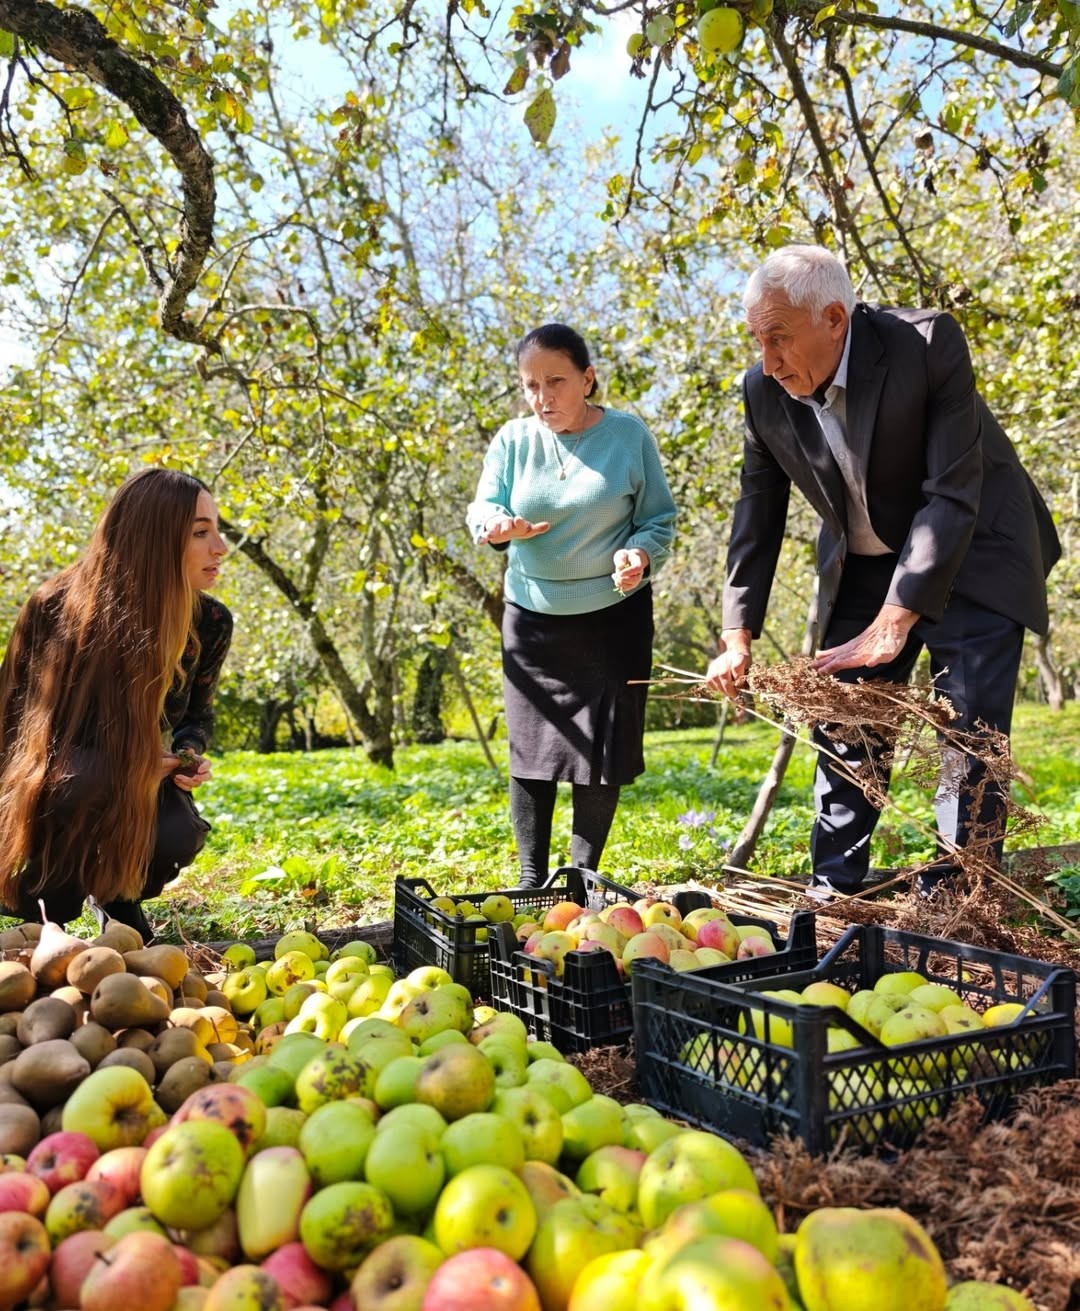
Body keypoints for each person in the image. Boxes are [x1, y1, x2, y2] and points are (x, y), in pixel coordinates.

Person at [706, 245, 1060, 898]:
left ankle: (959, 904)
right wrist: (737, 636)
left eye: (778, 338)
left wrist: (896, 620)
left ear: (834, 318)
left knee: (968, 736)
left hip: (974, 550)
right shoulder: (763, 392)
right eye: (758, 340)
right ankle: (833, 894)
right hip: (867, 565)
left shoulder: (925, 344)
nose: (768, 360)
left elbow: (951, 492)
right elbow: (757, 512)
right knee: (846, 718)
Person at [467, 323, 677, 887]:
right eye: (530, 385)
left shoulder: (628, 436)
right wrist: (497, 525)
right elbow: (483, 506)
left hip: (613, 620)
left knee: (599, 752)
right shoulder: (513, 440)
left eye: (555, 381)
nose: (542, 397)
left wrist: (638, 554)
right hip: (532, 621)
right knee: (531, 750)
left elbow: (659, 519)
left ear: (587, 378)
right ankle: (530, 880)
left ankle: (582, 878)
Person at [0, 467, 232, 940]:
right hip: (58, 784)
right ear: (154, 538)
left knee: (178, 833)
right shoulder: (54, 608)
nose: (220, 547)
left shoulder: (209, 621)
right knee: (85, 780)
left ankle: (118, 896)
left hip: (142, 783)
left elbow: (197, 716)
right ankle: (43, 901)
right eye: (200, 533)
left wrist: (186, 753)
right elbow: (12, 724)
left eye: (217, 530)